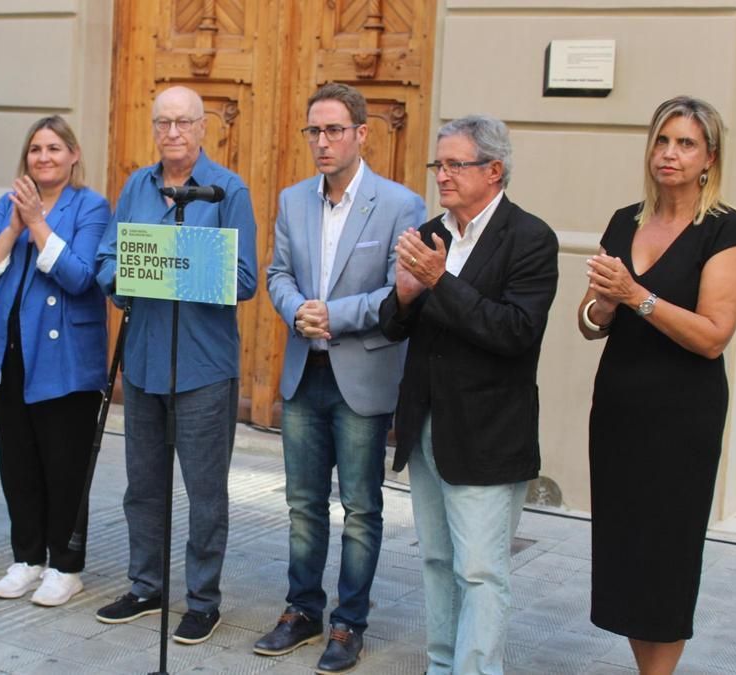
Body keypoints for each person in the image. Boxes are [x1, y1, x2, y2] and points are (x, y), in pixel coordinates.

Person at [579, 96, 736, 675]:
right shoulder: (624, 220)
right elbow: (587, 323)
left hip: (682, 421)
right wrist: (604, 305)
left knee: (666, 554)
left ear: (709, 157)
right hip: (619, 413)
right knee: (625, 552)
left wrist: (638, 297)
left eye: (685, 143)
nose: (670, 154)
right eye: (662, 140)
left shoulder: (725, 232)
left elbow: (712, 337)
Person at [380, 114, 558, 674]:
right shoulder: (433, 233)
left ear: (495, 170)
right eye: (440, 164)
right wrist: (407, 297)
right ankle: (441, 665)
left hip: (486, 431)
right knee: (435, 559)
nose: (443, 175)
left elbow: (514, 332)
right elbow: (394, 325)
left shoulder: (531, 238)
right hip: (427, 424)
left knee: (480, 569)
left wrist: (439, 283)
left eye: (456, 164)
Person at [261, 82, 424, 674]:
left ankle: (349, 623)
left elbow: (399, 290)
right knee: (304, 504)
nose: (322, 142)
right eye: (314, 131)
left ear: (361, 133)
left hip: (363, 374)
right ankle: (301, 610)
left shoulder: (400, 204)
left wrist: (335, 314)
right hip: (305, 371)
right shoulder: (293, 199)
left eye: (333, 130)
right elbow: (277, 272)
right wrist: (294, 308)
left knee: (360, 507)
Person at [93, 85, 258, 645]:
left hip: (203, 368)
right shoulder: (136, 186)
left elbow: (243, 279)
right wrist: (120, 276)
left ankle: (204, 600)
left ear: (203, 127)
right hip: (142, 363)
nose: (173, 133)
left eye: (184, 122)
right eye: (163, 122)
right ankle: (146, 586)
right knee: (143, 486)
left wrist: (163, 267)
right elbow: (108, 260)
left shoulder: (227, 190)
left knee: (205, 493)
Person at [0, 116, 109, 606]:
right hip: (11, 355)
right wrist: (11, 228)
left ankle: (66, 566)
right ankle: (27, 558)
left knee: (63, 466)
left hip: (65, 360)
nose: (43, 157)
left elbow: (79, 276)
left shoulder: (91, 206)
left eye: (53, 148)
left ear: (73, 155)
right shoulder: (10, 204)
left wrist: (37, 224)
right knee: (19, 463)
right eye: (35, 149)